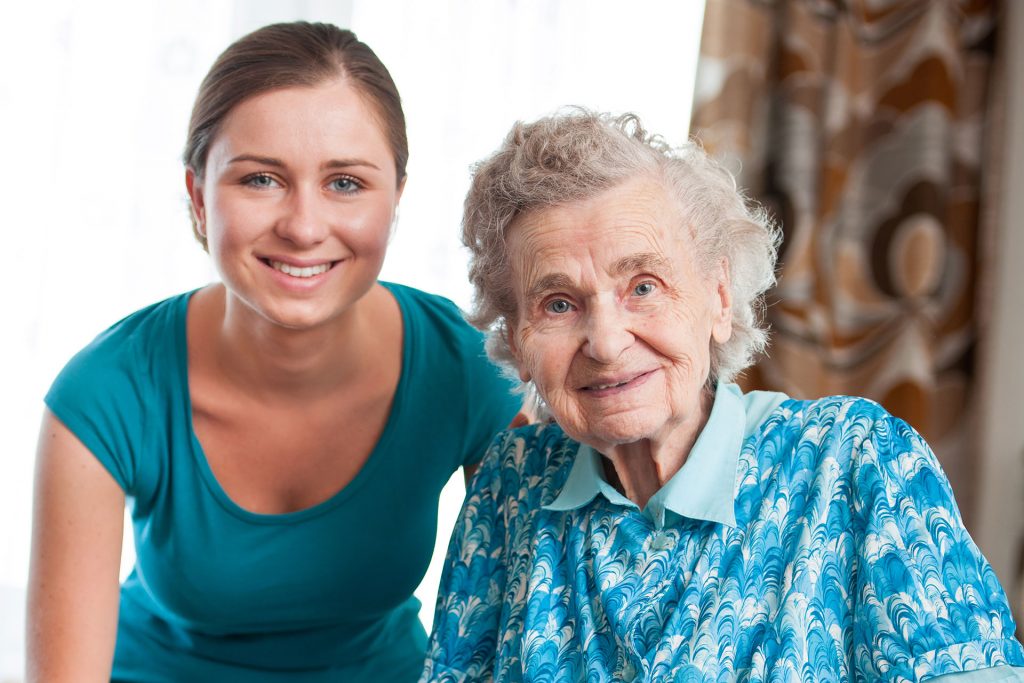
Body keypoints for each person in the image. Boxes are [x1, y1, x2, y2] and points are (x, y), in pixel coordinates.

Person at [420, 110, 1024, 681]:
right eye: (558, 304)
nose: (604, 342)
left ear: (720, 298)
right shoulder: (511, 486)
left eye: (644, 286)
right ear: (518, 338)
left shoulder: (856, 461)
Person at [26, 22, 520, 682]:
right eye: (261, 179)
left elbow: (528, 627)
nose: (304, 227)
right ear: (200, 197)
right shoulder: (107, 393)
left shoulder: (469, 368)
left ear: (396, 198)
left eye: (345, 183)